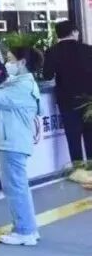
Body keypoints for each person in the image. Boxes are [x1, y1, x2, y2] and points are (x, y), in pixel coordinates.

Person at [0, 46, 43, 246]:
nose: (7, 63)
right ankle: (27, 228)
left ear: (22, 62)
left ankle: (24, 231)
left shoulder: (23, 86)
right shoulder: (16, 83)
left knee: (15, 188)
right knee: (17, 187)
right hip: (10, 141)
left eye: (11, 59)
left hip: (11, 143)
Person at [42, 20, 92, 183]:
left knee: (73, 137)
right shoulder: (87, 49)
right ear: (74, 32)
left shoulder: (52, 52)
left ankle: (78, 172)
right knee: (90, 136)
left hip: (67, 101)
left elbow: (47, 75)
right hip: (89, 101)